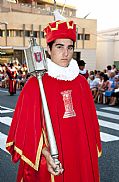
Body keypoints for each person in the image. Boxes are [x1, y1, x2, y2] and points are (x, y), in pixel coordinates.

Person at [6, 15, 102, 182]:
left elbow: (90, 128)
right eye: (59, 47)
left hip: (80, 157)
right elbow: (25, 129)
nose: (66, 53)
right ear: (49, 50)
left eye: (70, 47)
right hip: (49, 160)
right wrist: (44, 153)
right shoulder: (35, 83)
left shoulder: (81, 83)